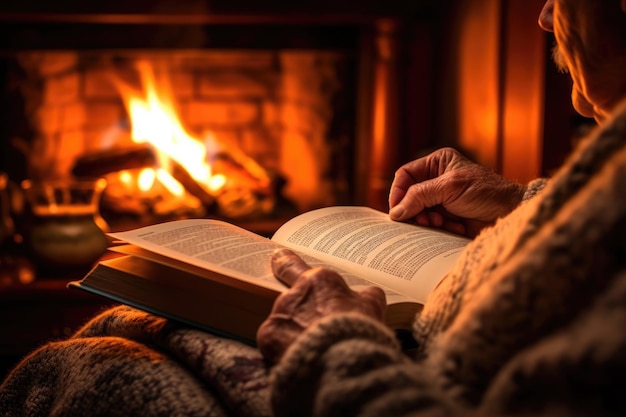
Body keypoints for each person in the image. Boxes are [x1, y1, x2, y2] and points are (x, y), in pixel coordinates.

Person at [2, 0, 626, 416]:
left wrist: (334, 342)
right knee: (115, 336)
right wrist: (516, 202)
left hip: (366, 366)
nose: (544, 16)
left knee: (89, 368)